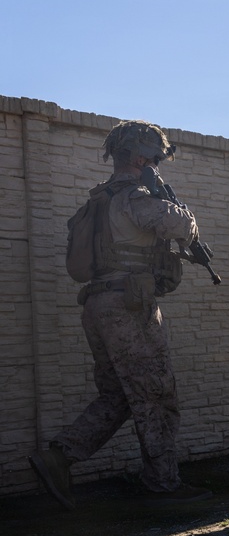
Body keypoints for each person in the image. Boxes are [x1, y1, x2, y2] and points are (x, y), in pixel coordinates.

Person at [28, 120, 211, 509]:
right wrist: (180, 209)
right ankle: (163, 485)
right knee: (156, 393)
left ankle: (59, 457)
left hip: (99, 304)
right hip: (129, 305)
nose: (157, 167)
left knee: (119, 395)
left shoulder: (99, 199)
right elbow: (179, 226)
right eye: (155, 160)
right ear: (141, 159)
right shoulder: (133, 195)